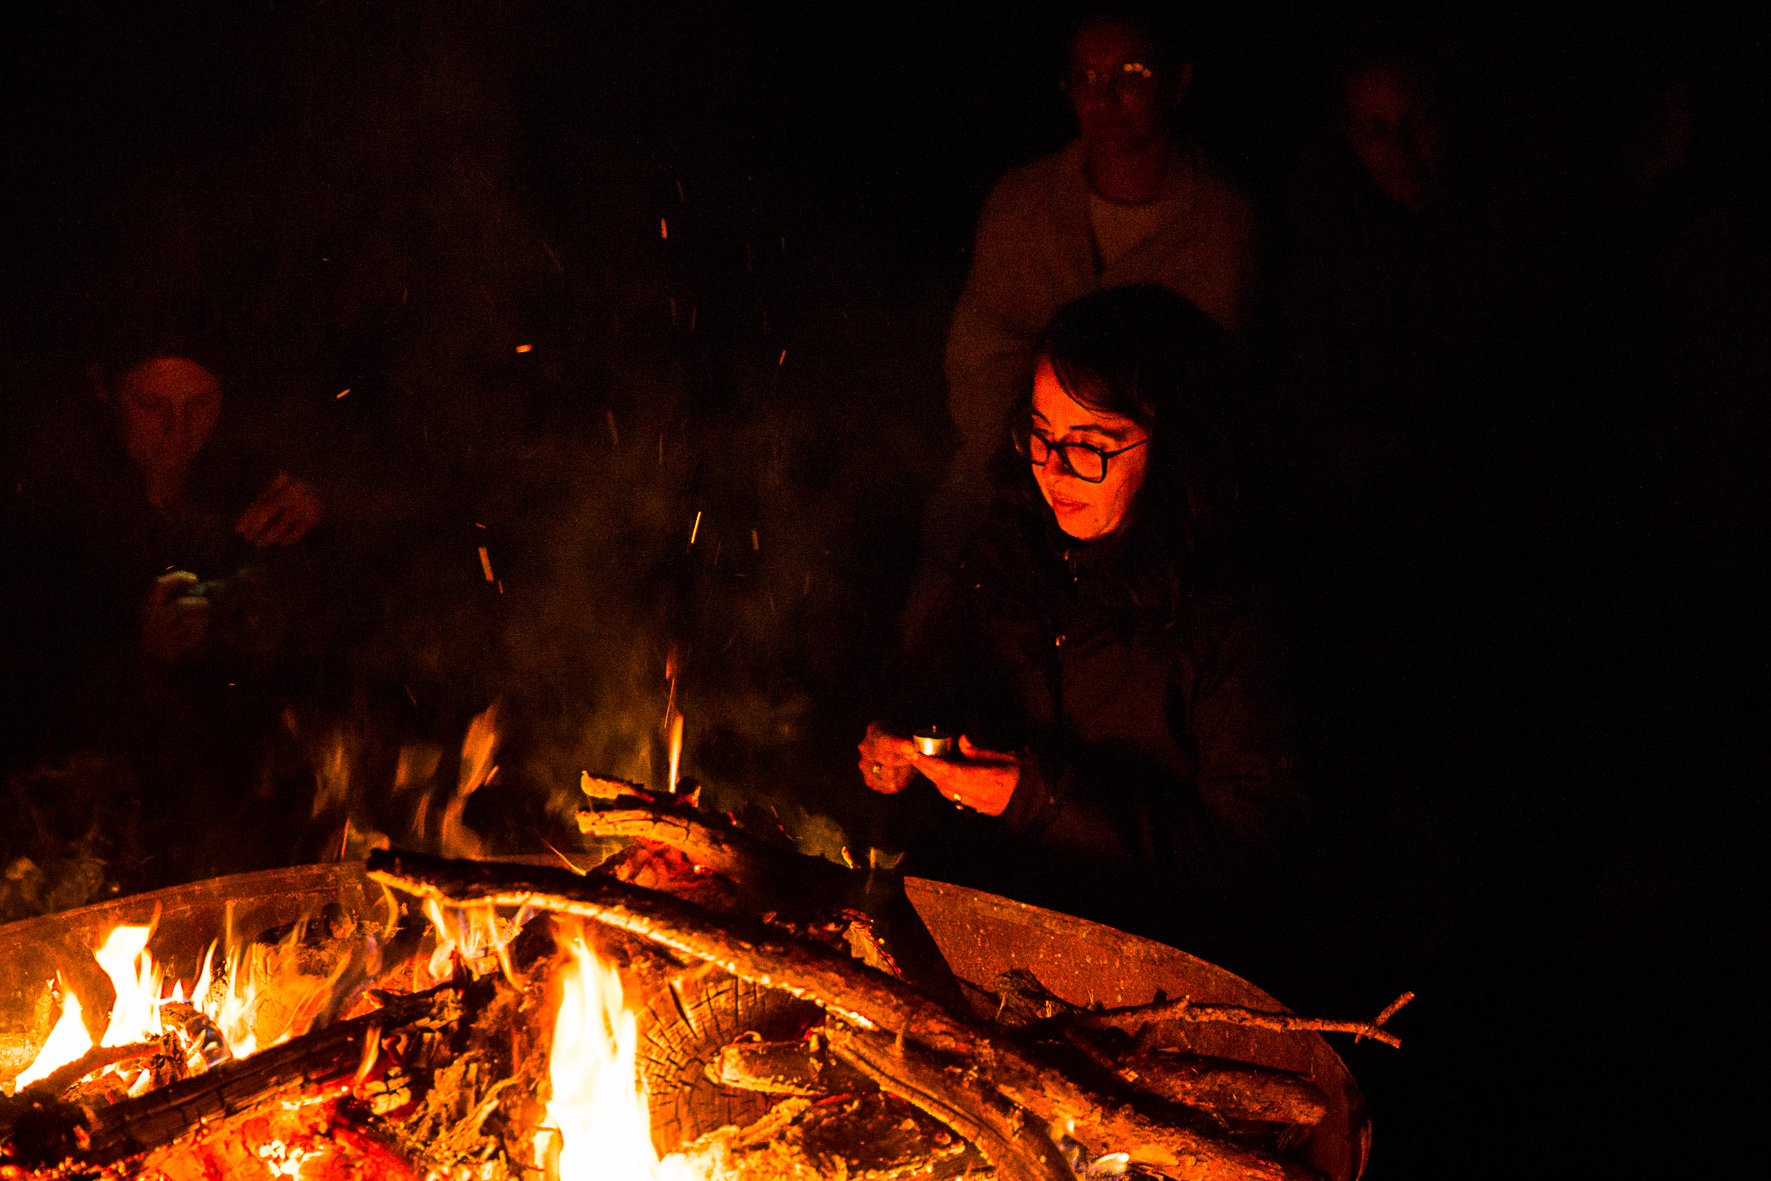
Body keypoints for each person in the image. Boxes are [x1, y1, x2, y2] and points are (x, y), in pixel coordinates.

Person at [861, 286, 1307, 960]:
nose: (1056, 470)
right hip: (994, 934)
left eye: (1092, 444)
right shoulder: (1015, 544)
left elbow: (1254, 866)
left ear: (1176, 444)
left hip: (1153, 969)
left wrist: (1038, 801)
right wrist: (900, 745)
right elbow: (934, 679)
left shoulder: (1237, 612)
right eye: (1040, 435)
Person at [909, 8, 1259, 634]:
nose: (1105, 96)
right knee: (940, 612)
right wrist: (1034, 472)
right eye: (1086, 77)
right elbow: (977, 360)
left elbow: (1202, 402)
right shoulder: (1021, 205)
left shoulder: (1221, 224)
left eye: (1129, 73)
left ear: (1178, 83)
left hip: (1148, 507)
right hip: (1006, 474)